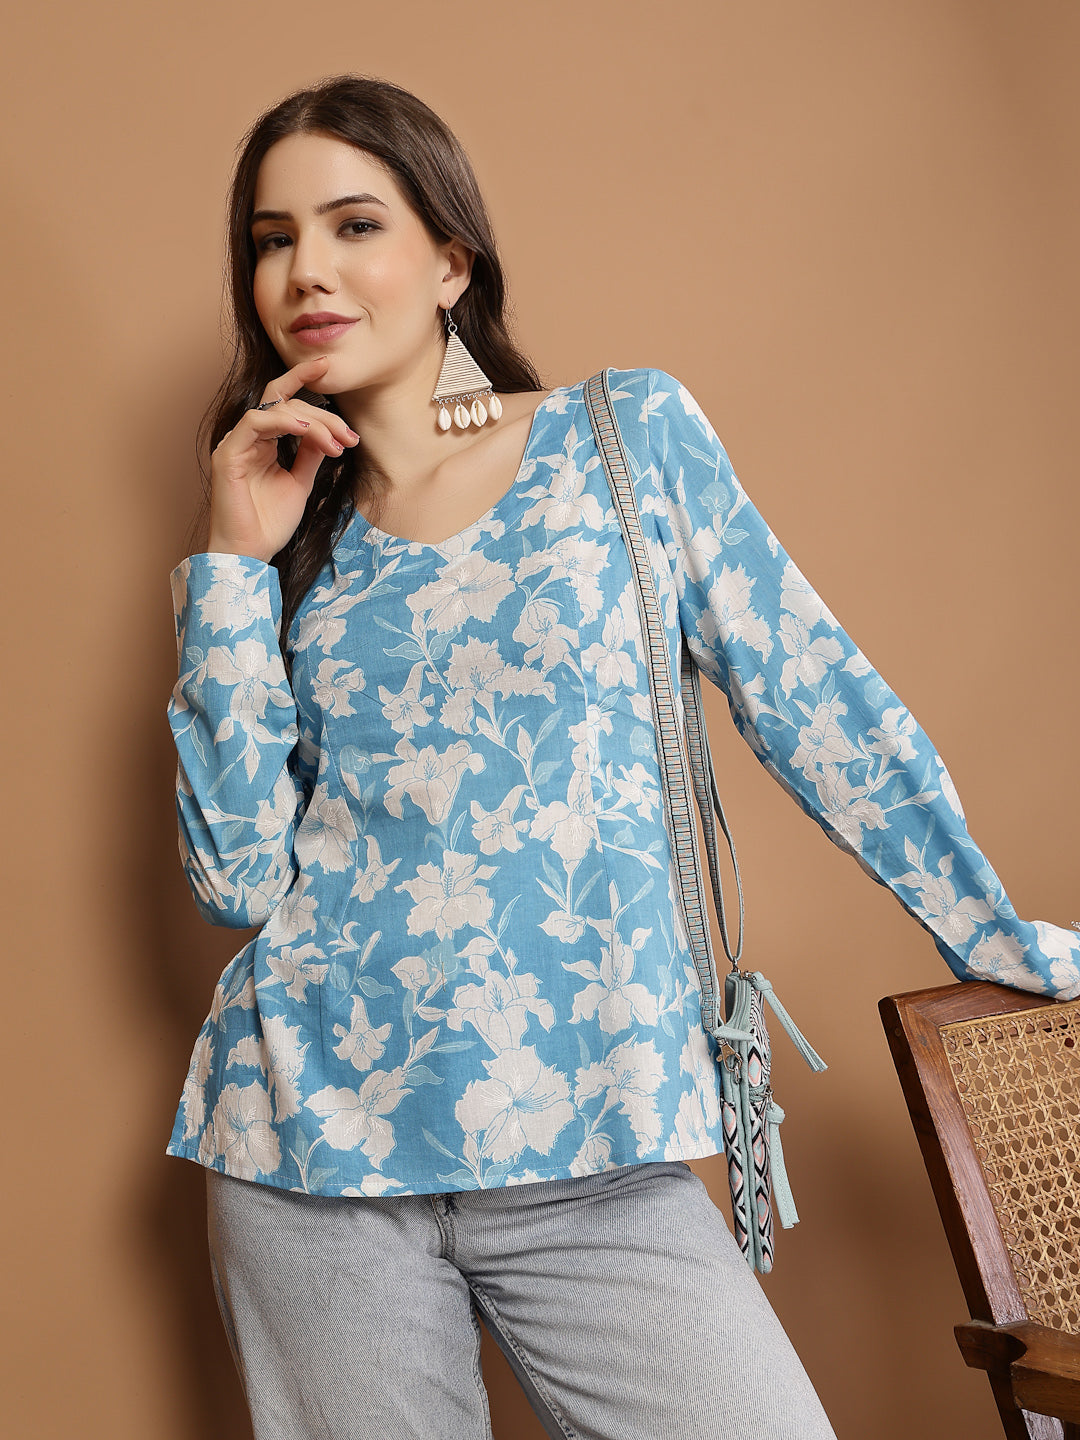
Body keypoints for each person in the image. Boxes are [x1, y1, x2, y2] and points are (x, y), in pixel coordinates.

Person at [166, 73, 1080, 1440]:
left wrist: (983, 924)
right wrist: (232, 566)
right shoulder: (295, 547)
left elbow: (814, 694)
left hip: (592, 1143)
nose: (306, 271)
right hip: (307, 1148)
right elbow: (237, 879)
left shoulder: (618, 439)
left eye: (355, 225)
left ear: (451, 262)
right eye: (272, 239)